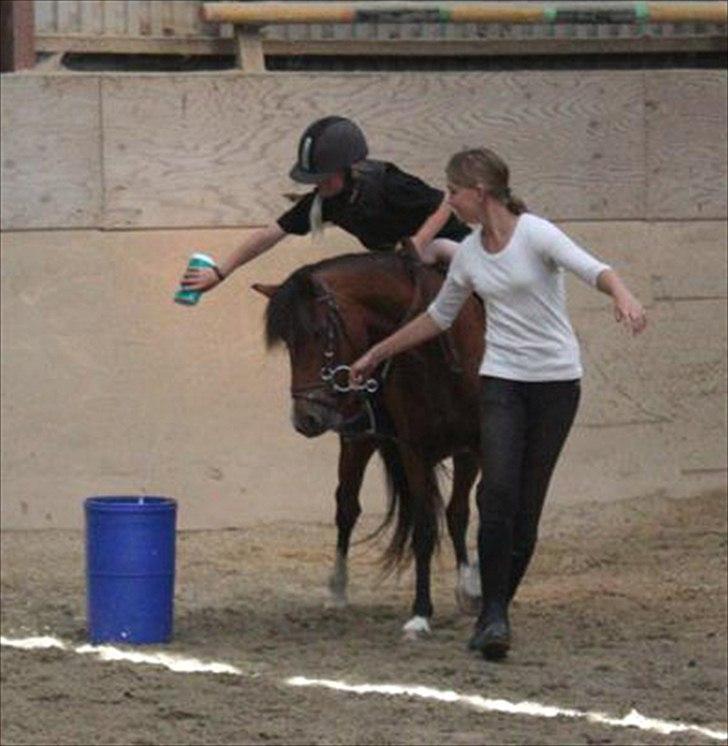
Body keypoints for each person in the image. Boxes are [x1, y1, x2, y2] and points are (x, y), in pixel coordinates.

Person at [349, 147, 647, 661]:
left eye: (454, 192)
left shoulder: (536, 234)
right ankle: (493, 617)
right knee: (497, 494)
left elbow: (593, 268)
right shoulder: (466, 254)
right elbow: (438, 317)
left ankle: (498, 605)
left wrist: (622, 294)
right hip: (502, 381)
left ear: (480, 193)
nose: (450, 202)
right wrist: (378, 351)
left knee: (526, 507)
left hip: (555, 385)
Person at [179, 116, 470, 295]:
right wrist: (221, 272)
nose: (317, 186)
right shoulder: (325, 202)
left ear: (348, 168)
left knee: (440, 249)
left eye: (323, 177)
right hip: (406, 269)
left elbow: (445, 202)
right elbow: (270, 234)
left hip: (453, 251)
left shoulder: (387, 183)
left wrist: (417, 243)